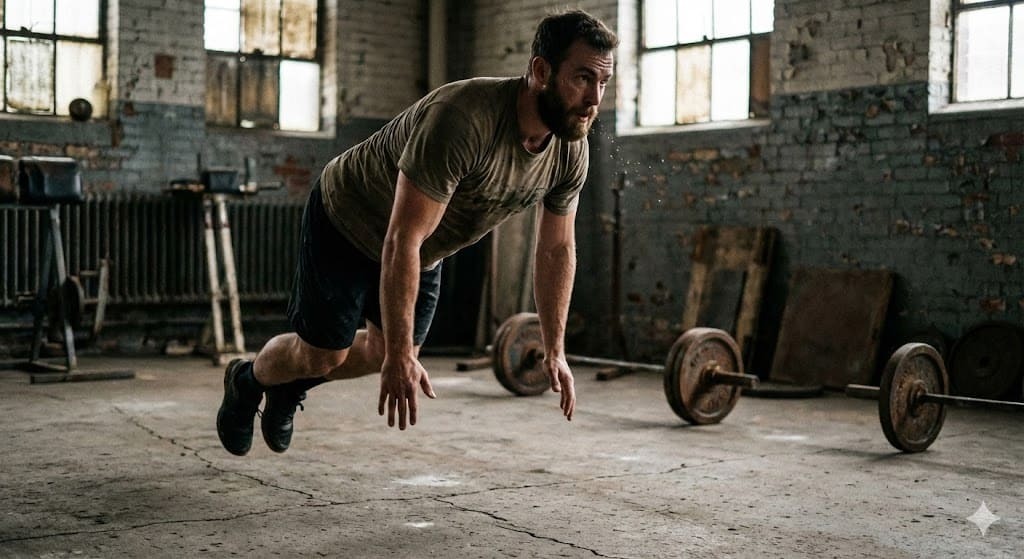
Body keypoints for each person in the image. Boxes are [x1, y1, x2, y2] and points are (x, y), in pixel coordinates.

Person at [216, 10, 617, 456]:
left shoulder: (569, 151)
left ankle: (288, 388)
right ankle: (248, 380)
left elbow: (557, 248)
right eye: (582, 78)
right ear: (541, 71)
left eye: (603, 83)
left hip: (420, 248)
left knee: (380, 352)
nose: (593, 98)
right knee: (324, 356)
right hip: (350, 217)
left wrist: (554, 348)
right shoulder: (463, 118)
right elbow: (400, 237)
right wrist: (401, 356)